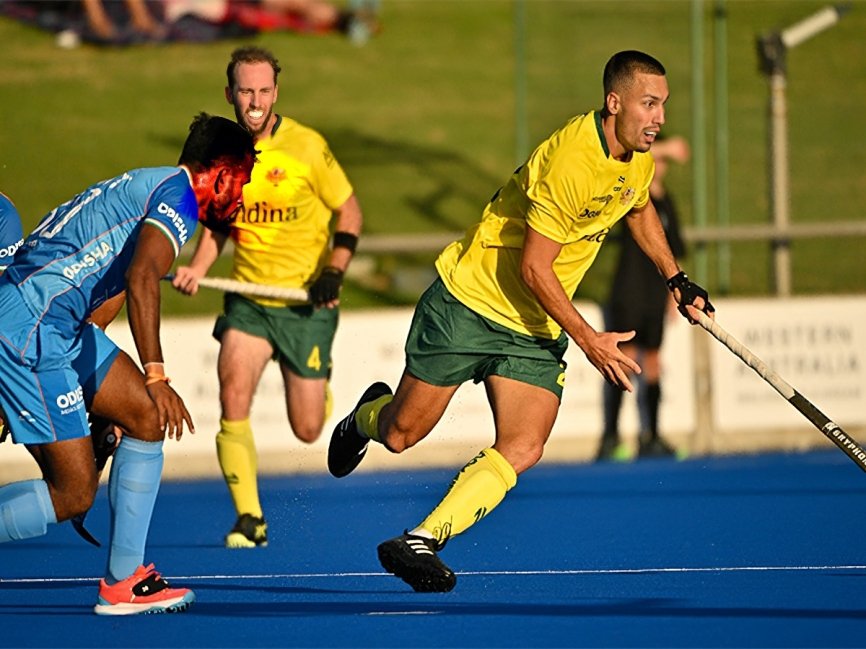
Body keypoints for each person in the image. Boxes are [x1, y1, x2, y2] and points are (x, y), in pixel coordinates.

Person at [327, 50, 714, 593]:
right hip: (470, 302)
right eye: (649, 104)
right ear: (614, 102)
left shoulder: (636, 157)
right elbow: (535, 267)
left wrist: (676, 277)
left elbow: (639, 206)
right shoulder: (572, 162)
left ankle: (422, 539)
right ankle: (365, 417)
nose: (660, 118)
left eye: (664, 106)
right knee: (400, 434)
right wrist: (588, 340)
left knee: (524, 445)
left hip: (531, 328)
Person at [0, 113, 256, 615]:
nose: (240, 199)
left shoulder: (149, 185)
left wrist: (106, 398)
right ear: (219, 173)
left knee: (142, 416)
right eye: (241, 182)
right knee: (73, 494)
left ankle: (124, 582)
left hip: (55, 324)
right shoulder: (178, 198)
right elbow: (142, 279)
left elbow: (105, 294)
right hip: (31, 325)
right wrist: (156, 376)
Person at [172, 46, 364, 549]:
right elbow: (216, 225)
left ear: (275, 93)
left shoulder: (307, 146)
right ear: (230, 94)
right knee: (231, 394)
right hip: (248, 300)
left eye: (262, 91)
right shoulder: (223, 150)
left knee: (307, 428)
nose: (254, 101)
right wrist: (195, 267)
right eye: (245, 91)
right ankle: (250, 520)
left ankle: (319, 391)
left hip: (305, 302)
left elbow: (350, 214)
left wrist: (334, 271)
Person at [596, 134, 690, 462]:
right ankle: (610, 437)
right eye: (655, 159)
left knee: (652, 362)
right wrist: (664, 149)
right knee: (624, 359)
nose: (659, 166)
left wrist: (672, 296)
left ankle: (651, 435)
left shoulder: (667, 202)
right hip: (630, 290)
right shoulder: (632, 194)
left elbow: (674, 251)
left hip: (654, 294)